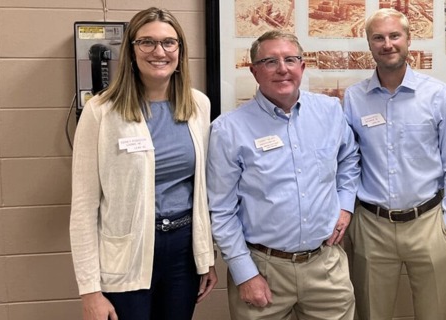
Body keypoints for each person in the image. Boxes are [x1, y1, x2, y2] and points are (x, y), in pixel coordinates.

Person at [70, 7, 217, 320]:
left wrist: (206, 257)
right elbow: (83, 209)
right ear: (131, 50)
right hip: (129, 254)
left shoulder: (198, 106)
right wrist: (90, 291)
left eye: (168, 43)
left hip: (183, 252)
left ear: (180, 50)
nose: (159, 52)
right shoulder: (101, 112)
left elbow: (201, 190)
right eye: (147, 42)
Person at [207, 30, 360, 320]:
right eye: (269, 61)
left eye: (290, 59)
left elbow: (350, 159)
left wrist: (345, 205)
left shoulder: (329, 111)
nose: (282, 69)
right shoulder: (228, 130)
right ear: (254, 71)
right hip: (264, 269)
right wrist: (244, 273)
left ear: (302, 67)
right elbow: (221, 210)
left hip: (325, 266)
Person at [343, 8, 446, 320]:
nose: (387, 44)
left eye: (394, 36)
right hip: (371, 226)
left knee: (435, 313)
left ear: (409, 40)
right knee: (370, 314)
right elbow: (347, 162)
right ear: (370, 44)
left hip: (428, 223)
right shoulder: (354, 98)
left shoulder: (439, 95)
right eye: (378, 37)